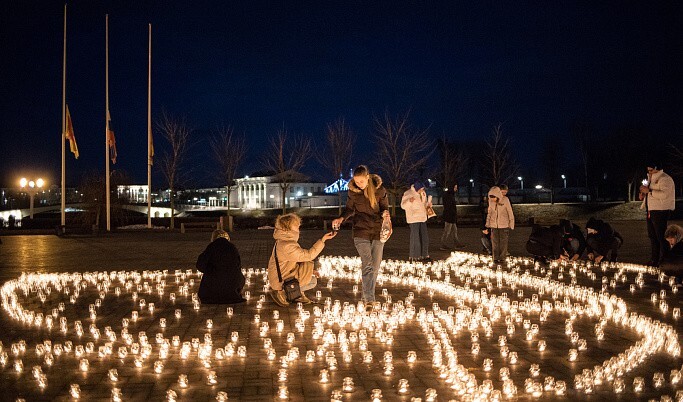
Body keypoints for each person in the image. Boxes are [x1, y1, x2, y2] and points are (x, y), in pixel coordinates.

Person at [331, 165, 390, 308]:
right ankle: (370, 299)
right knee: (368, 264)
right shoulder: (353, 193)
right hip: (360, 230)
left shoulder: (380, 190)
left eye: (361, 182)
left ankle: (366, 297)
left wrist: (385, 214)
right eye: (356, 182)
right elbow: (349, 209)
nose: (359, 184)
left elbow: (385, 208)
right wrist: (341, 219)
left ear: (368, 178)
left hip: (377, 231)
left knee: (375, 267)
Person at [268, 213, 336, 307]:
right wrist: (323, 240)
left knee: (307, 266)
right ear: (288, 228)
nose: (298, 230)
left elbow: (297, 260)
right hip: (280, 282)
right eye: (297, 227)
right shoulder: (287, 246)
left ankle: (294, 293)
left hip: (282, 275)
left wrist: (310, 271)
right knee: (312, 281)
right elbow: (308, 255)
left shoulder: (282, 241)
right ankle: (283, 292)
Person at [639, 162, 676, 267]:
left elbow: (664, 194)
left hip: (660, 210)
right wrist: (643, 196)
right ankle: (654, 260)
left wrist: (649, 191)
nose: (649, 173)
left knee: (661, 237)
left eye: (651, 170)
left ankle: (664, 260)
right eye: (648, 171)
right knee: (652, 236)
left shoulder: (665, 179)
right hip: (651, 210)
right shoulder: (650, 179)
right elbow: (650, 194)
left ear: (657, 168)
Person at [195, 230, 246, 304]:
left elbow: (200, 265)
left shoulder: (212, 246)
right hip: (232, 290)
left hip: (213, 290)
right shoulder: (232, 247)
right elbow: (237, 266)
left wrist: (210, 270)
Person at [401, 181, 432, 261]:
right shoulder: (408, 193)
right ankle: (414, 256)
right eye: (421, 189)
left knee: (424, 237)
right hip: (413, 219)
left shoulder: (423, 194)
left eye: (423, 189)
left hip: (422, 217)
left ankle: (424, 255)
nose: (422, 190)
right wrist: (409, 202)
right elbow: (403, 206)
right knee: (415, 238)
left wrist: (428, 205)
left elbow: (423, 204)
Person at [486, 186, 515, 263]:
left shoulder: (505, 200)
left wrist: (511, 223)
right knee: (494, 242)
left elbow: (510, 212)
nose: (492, 200)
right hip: (494, 225)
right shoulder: (491, 201)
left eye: (493, 198)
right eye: (491, 198)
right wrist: (487, 223)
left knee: (503, 242)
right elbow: (489, 213)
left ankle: (502, 258)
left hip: (504, 225)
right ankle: (495, 258)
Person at [440, 183, 464, 250]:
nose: (456, 189)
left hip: (451, 216)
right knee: (447, 231)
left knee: (454, 230)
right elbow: (449, 207)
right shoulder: (449, 195)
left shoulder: (450, 195)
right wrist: (453, 214)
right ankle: (443, 244)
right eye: (455, 187)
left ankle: (457, 244)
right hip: (449, 216)